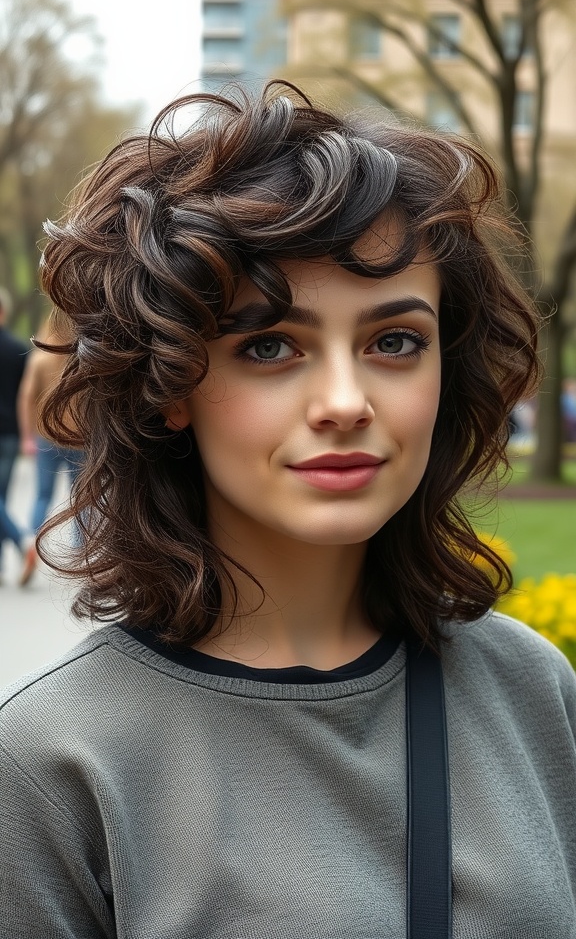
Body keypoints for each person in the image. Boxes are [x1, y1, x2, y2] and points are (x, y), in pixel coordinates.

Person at [1, 82, 575, 938]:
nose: (346, 401)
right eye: (269, 345)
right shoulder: (54, 762)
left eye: (394, 342)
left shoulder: (532, 690)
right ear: (170, 388)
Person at [16, 315, 83, 584]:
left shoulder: (39, 358)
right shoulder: (81, 360)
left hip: (47, 438)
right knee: (81, 498)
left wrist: (27, 436)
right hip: (79, 438)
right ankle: (80, 555)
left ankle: (32, 542)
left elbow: (26, 397)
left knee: (42, 495)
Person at [0, 287, 29, 580]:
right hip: (9, 433)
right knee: (2, 497)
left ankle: (21, 540)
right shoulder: (18, 350)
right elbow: (25, 394)